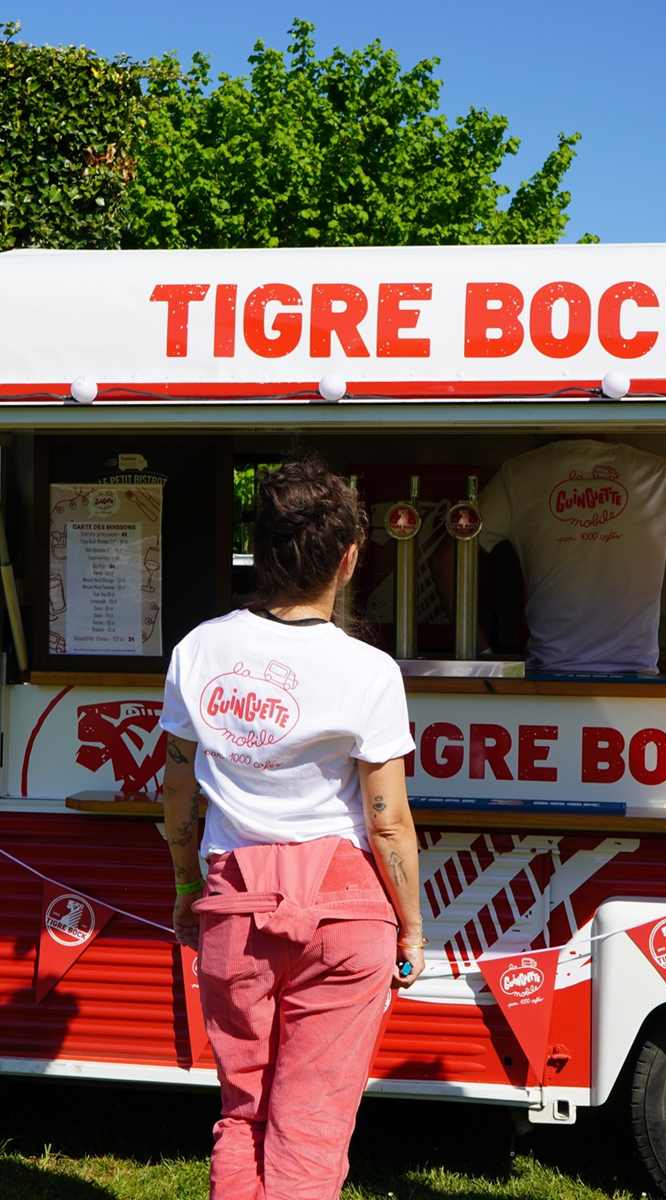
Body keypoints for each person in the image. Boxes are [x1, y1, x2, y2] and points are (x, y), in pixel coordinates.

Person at [158, 457, 425, 1200]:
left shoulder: (199, 650)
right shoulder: (369, 670)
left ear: (261, 551)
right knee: (312, 1123)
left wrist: (185, 887)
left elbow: (177, 795)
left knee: (243, 1109)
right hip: (344, 911)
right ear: (348, 559)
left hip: (233, 900)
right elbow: (388, 822)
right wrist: (411, 929)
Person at [475, 439, 666, 674]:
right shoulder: (659, 474)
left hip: (549, 680)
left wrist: (480, 652)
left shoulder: (518, 475)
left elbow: (456, 550)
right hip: (635, 682)